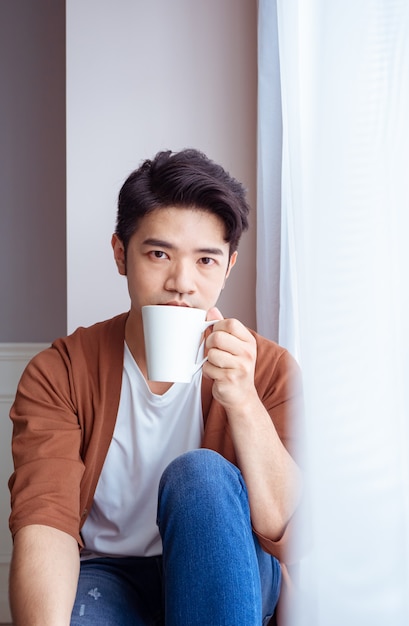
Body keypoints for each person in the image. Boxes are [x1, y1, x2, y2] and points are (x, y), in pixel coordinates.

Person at [8, 148, 303, 626]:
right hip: (109, 576)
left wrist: (243, 401)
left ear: (228, 267)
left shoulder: (267, 369)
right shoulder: (60, 372)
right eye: (159, 253)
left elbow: (286, 529)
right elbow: (46, 523)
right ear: (121, 255)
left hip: (231, 571)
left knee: (201, 474)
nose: (181, 283)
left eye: (206, 260)